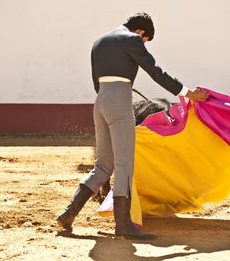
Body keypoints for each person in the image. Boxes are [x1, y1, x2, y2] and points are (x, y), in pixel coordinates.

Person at [57, 12, 209, 240]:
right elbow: (156, 72)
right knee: (124, 164)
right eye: (146, 40)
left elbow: (95, 79)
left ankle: (68, 214)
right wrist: (187, 93)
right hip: (119, 102)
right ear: (141, 33)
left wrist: (110, 96)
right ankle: (123, 225)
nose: (144, 43)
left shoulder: (99, 41)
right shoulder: (132, 40)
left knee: (102, 166)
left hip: (100, 101)